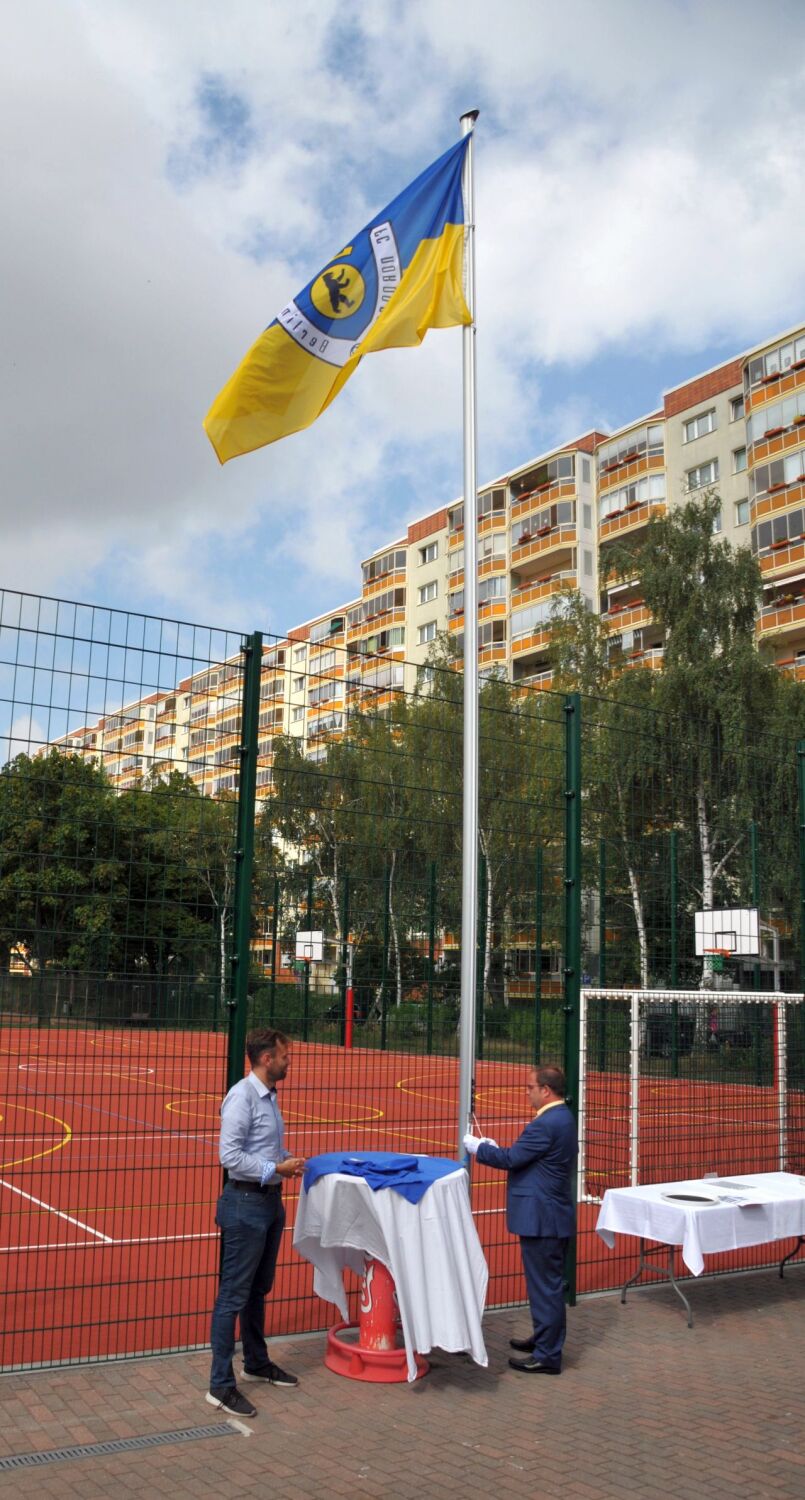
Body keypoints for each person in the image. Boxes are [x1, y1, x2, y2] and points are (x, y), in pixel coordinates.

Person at [208, 1027, 305, 1418]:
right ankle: (219, 1384)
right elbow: (229, 1156)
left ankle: (255, 1362)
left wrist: (289, 1161)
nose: (289, 1062)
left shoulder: (269, 1098)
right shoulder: (242, 1097)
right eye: (285, 1056)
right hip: (244, 1204)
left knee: (257, 1289)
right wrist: (273, 1167)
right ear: (267, 1059)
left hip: (268, 1203)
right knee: (233, 1295)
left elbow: (265, 1148)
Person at [463, 1064, 578, 1376]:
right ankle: (544, 1340)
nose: (527, 1092)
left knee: (545, 1287)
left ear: (546, 1090)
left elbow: (513, 1159)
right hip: (550, 1214)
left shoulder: (546, 1123)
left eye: (530, 1087)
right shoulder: (561, 1118)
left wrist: (480, 1149)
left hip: (543, 1217)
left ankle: (548, 1354)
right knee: (545, 1285)